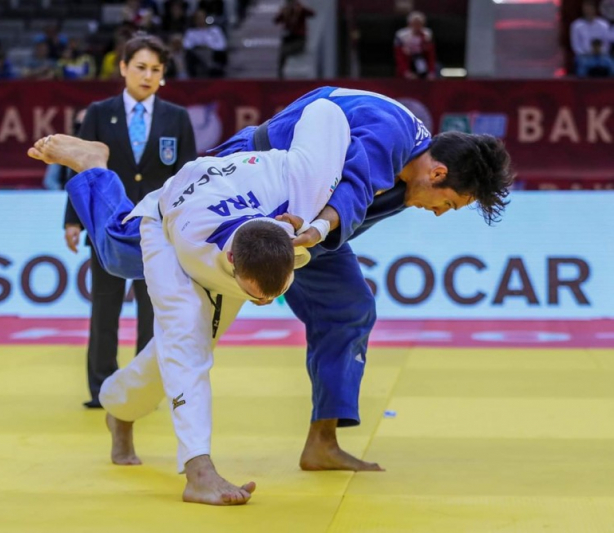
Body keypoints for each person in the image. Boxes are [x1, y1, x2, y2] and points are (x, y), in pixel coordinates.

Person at [30, 97, 352, 505]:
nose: (265, 305)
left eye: (275, 295)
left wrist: (320, 223)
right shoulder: (189, 241)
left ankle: (120, 408)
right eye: (257, 296)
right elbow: (185, 356)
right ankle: (94, 167)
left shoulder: (301, 191)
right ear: (234, 263)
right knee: (121, 261)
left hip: (239, 189)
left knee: (169, 349)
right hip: (168, 220)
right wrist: (199, 466)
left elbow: (326, 111)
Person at [212, 86, 514, 472]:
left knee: (348, 309)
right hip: (246, 180)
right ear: (438, 173)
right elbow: (354, 185)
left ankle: (322, 443)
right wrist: (308, 240)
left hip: (307, 222)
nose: (439, 214)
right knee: (164, 278)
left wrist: (292, 261)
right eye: (449, 204)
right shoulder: (394, 131)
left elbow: (345, 211)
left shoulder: (408, 179)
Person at [63, 34, 197, 408]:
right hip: (107, 227)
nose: (147, 75)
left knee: (153, 313)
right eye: (140, 67)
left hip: (158, 229)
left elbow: (187, 177)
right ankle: (101, 390)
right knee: (104, 309)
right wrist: (73, 219)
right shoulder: (98, 112)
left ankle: (143, 391)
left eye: (156, 69)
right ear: (123, 68)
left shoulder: (177, 117)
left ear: (163, 75)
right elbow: (81, 169)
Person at [273, 0, 315, 78]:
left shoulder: (300, 10)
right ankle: (280, 75)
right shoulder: (286, 11)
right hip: (289, 38)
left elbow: (312, 14)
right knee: (282, 53)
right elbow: (276, 20)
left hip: (299, 39)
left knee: (285, 51)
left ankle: (282, 75)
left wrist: (301, 8)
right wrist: (282, 12)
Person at [393, 11, 436, 79]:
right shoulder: (401, 35)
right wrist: (405, 72)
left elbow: (431, 55)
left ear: (423, 24)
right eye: (415, 23)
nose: (417, 26)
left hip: (420, 61)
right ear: (410, 24)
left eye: (419, 23)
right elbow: (399, 56)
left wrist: (431, 72)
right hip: (407, 61)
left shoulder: (427, 35)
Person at [571, 1, 610, 73]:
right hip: (584, 56)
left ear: (595, 10)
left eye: (590, 9)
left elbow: (606, 44)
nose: (589, 11)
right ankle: (582, 83)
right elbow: (576, 46)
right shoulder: (576, 25)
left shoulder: (603, 25)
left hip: (601, 55)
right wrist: (588, 52)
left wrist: (600, 51)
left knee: (611, 64)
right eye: (586, 9)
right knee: (583, 65)